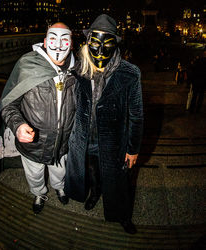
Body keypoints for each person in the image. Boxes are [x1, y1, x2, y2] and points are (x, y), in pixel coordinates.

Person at [64, 14, 144, 234]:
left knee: (119, 181)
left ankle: (122, 215)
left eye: (107, 45)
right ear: (88, 40)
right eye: (95, 44)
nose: (100, 52)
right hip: (85, 138)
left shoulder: (129, 74)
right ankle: (94, 193)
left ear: (116, 44)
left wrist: (133, 148)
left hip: (113, 141)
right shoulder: (79, 69)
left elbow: (136, 115)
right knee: (91, 172)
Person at [0, 22, 76, 214]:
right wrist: (18, 125)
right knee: (35, 173)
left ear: (71, 43)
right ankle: (39, 193)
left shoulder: (77, 70)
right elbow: (9, 103)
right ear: (45, 42)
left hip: (62, 141)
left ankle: (59, 187)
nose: (59, 45)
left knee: (59, 170)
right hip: (34, 143)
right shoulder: (27, 64)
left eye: (65, 40)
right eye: (53, 39)